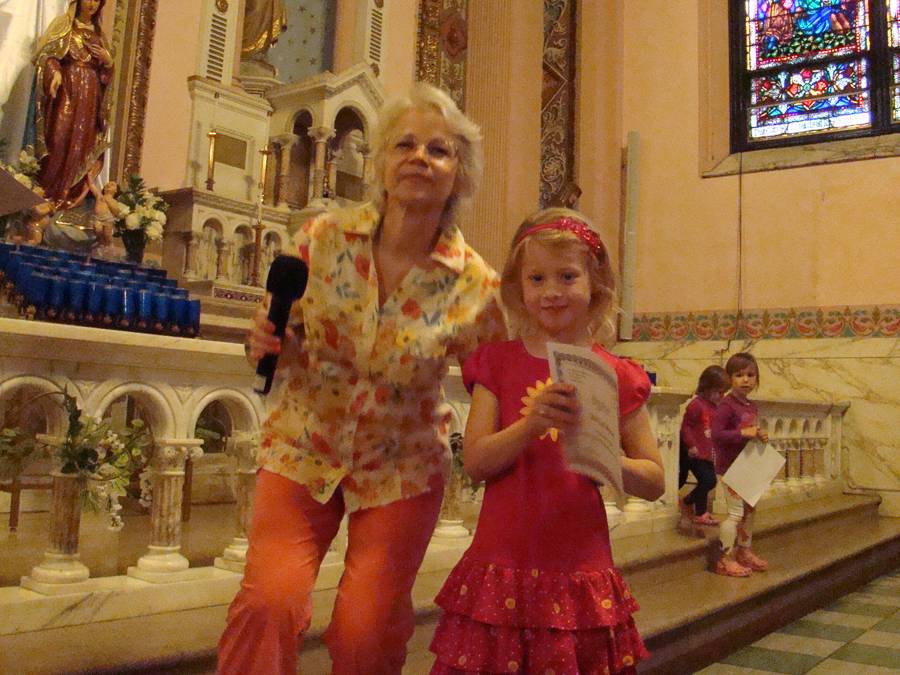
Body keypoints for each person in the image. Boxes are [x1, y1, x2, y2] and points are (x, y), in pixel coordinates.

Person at [217, 83, 506, 675]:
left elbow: (499, 379)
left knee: (365, 631)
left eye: (439, 150)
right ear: (381, 161)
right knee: (270, 602)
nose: (420, 158)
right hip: (304, 445)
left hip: (402, 465)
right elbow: (277, 338)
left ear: (460, 174)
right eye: (405, 144)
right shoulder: (322, 238)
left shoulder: (476, 284)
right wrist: (267, 343)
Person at [429, 208, 665, 675]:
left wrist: (605, 455)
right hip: (502, 563)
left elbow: (654, 481)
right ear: (518, 288)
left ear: (596, 283)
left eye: (567, 276)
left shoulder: (617, 374)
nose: (551, 291)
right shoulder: (497, 363)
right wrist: (529, 425)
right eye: (537, 278)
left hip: (579, 567)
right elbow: (475, 462)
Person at [31, 0, 114, 211]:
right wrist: (55, 72)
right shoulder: (64, 25)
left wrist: (108, 62)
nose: (92, 4)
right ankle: (49, 193)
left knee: (83, 143)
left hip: (90, 96)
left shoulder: (99, 35)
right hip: (67, 89)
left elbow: (106, 76)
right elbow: (47, 55)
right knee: (59, 137)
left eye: (97, 0)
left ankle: (70, 196)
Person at [710, 352, 770, 577]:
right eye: (739, 375)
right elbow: (717, 435)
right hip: (730, 468)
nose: (746, 380)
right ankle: (725, 558)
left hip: (747, 466)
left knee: (749, 511)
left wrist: (758, 434)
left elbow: (748, 431)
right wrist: (743, 433)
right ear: (729, 378)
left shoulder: (750, 406)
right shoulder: (726, 405)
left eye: (751, 375)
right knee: (735, 513)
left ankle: (744, 551)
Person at [678, 365, 729, 527]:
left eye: (723, 392)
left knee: (706, 481)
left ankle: (701, 513)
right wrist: (691, 445)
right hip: (694, 451)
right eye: (718, 392)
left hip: (706, 452)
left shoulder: (715, 407)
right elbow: (686, 427)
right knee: (708, 480)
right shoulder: (696, 405)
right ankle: (687, 501)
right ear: (707, 387)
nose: (721, 396)